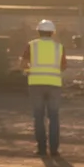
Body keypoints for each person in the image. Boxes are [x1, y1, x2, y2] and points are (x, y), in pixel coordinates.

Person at [20, 19, 67, 157]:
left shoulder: (31, 45)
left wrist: (29, 69)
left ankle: (41, 149)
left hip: (35, 84)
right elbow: (63, 66)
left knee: (38, 117)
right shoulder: (59, 47)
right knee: (54, 116)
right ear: (53, 32)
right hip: (54, 85)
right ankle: (54, 150)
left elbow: (23, 64)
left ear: (38, 31)